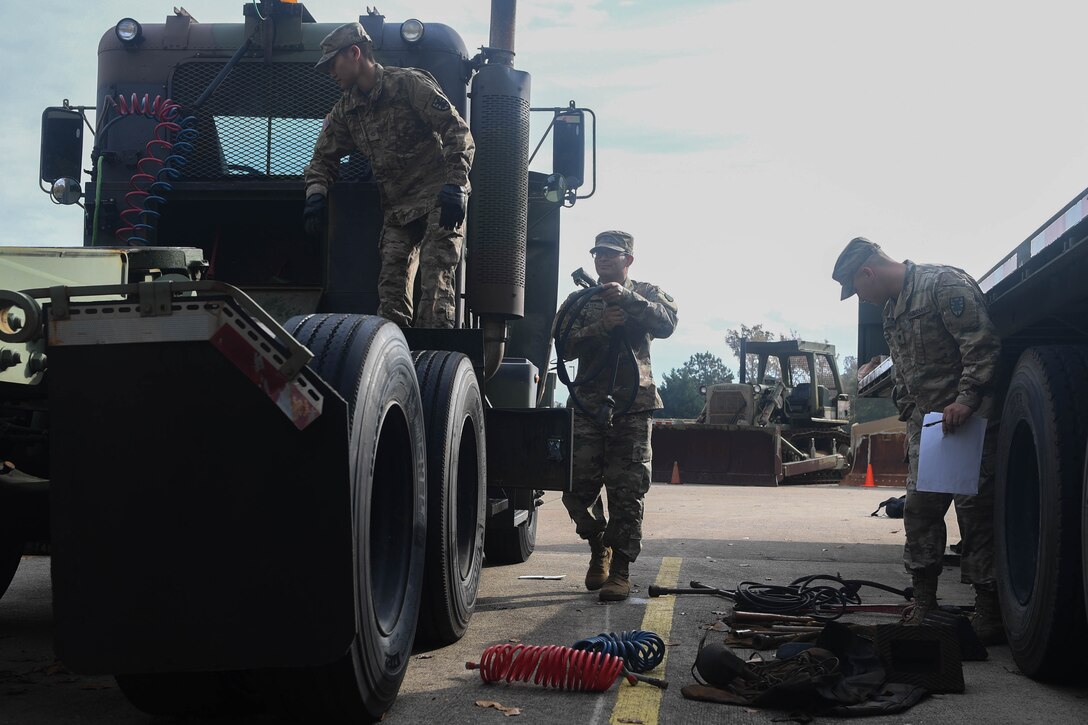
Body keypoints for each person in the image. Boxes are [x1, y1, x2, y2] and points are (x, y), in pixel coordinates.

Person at [832, 237, 1004, 644]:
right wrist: (911, 417)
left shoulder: (943, 285)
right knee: (920, 512)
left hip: (967, 422)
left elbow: (981, 345)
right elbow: (906, 374)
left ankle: (989, 610)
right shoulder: (893, 310)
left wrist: (966, 400)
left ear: (868, 272)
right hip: (929, 428)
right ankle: (925, 601)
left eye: (858, 290)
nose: (864, 300)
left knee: (975, 515)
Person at [303, 23, 475, 328]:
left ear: (355, 53)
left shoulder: (408, 84)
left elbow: (457, 130)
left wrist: (456, 184)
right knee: (391, 294)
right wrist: (316, 195)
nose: (331, 72)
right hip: (398, 211)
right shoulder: (346, 111)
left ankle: (436, 361)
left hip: (438, 198)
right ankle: (396, 364)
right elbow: (322, 159)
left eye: (334, 63)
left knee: (436, 287)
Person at [552, 231, 678, 601]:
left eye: (610, 254)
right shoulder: (581, 300)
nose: (602, 259)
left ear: (628, 260)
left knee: (628, 490)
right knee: (576, 489)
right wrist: (600, 326)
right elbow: (561, 341)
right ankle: (597, 545)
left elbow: (667, 323)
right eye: (597, 254)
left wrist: (630, 302)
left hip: (633, 405)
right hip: (588, 405)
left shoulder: (649, 293)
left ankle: (620, 570)